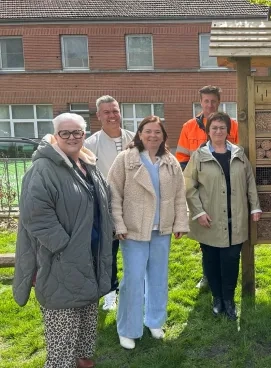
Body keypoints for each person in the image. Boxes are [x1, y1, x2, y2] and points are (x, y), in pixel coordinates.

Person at [13, 113, 113, 368]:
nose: (72, 137)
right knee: (62, 349)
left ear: (84, 134)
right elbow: (36, 217)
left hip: (89, 261)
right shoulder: (43, 169)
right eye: (65, 133)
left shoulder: (87, 164)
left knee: (85, 341)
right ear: (55, 136)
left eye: (77, 132)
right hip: (60, 264)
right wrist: (65, 247)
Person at [108, 116, 189, 350]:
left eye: (157, 132)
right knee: (132, 281)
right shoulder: (125, 159)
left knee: (158, 279)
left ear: (164, 136)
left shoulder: (170, 161)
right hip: (133, 231)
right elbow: (114, 194)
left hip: (161, 230)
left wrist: (180, 223)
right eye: (148, 131)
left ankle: (154, 321)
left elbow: (179, 195)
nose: (153, 136)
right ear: (140, 134)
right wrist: (118, 225)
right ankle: (128, 329)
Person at [184, 112, 261, 320]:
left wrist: (255, 207)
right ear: (208, 131)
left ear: (228, 131)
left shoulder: (238, 154)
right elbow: (188, 187)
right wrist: (198, 212)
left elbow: (249, 181)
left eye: (222, 128)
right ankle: (216, 298)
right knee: (211, 261)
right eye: (214, 128)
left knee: (230, 261)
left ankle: (229, 299)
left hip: (235, 219)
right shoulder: (199, 156)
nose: (218, 131)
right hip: (209, 220)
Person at [175, 85, 239, 290]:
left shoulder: (233, 126)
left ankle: (226, 277)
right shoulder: (188, 127)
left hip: (227, 187)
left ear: (219, 102)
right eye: (206, 101)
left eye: (213, 101)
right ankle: (207, 275)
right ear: (200, 102)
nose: (209, 105)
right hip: (201, 189)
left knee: (227, 232)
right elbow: (182, 158)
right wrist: (193, 181)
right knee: (206, 232)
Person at [84, 95, 135, 311]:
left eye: (115, 111)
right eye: (107, 112)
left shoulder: (134, 138)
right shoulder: (90, 144)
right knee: (108, 253)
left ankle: (134, 290)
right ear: (98, 116)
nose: (112, 116)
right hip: (106, 208)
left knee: (135, 251)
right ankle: (110, 292)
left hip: (134, 207)